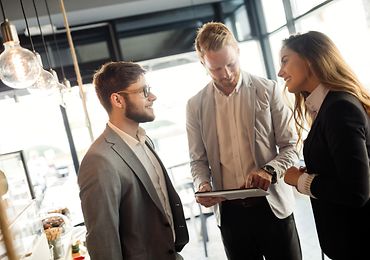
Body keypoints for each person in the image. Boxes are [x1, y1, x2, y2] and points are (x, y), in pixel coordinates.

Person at [186, 22, 302, 260]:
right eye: (216, 69)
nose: (226, 74)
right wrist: (202, 186)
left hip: (273, 208)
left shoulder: (268, 90)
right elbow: (198, 161)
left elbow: (291, 147)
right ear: (203, 63)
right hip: (231, 217)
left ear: (238, 51)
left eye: (230, 64)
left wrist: (270, 170)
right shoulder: (195, 105)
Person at [78, 61, 189, 260]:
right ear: (118, 100)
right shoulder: (99, 160)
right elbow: (103, 242)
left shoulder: (145, 140)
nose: (153, 97)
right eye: (144, 91)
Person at [279, 31, 370, 260]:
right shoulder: (329, 107)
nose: (280, 72)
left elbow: (357, 192)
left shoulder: (340, 108)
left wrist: (299, 180)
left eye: (285, 61)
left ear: (309, 59)